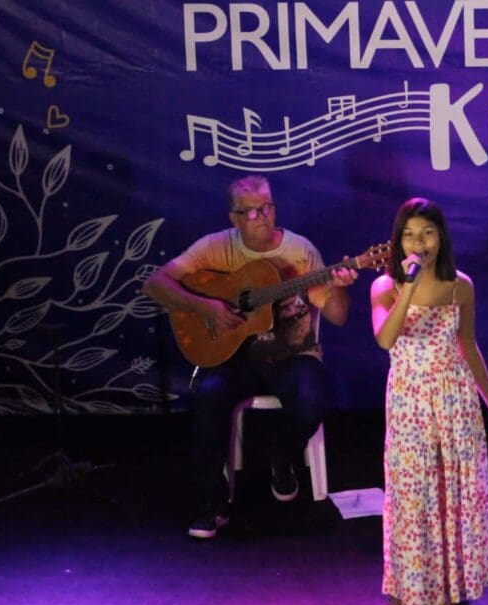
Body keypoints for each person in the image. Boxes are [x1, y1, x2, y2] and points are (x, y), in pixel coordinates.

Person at [142, 175, 358, 539]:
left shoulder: (300, 251)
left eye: (267, 206)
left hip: (292, 355)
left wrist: (338, 287)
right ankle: (211, 502)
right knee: (209, 395)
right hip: (235, 357)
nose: (262, 216)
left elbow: (337, 316)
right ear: (235, 218)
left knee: (312, 396)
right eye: (251, 211)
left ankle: (282, 455)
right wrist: (207, 307)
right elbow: (154, 284)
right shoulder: (214, 248)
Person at [369, 197, 488, 605]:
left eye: (427, 233)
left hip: (455, 400)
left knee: (449, 498)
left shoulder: (461, 286)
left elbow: (467, 347)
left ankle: (439, 596)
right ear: (398, 240)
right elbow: (385, 339)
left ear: (441, 238)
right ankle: (400, 596)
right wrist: (409, 287)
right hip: (409, 404)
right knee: (409, 499)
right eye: (409, 235)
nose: (418, 243)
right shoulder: (385, 286)